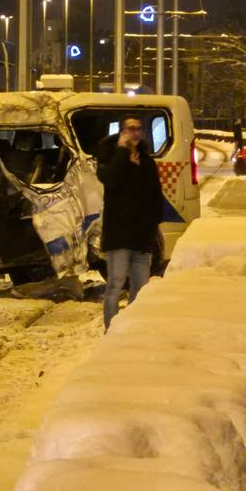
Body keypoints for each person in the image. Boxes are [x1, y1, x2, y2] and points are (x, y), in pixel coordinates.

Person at [97, 114, 164, 331]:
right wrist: (123, 152)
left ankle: (132, 329)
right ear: (121, 132)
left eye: (138, 129)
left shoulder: (147, 161)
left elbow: (155, 195)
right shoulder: (109, 157)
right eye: (129, 129)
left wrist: (153, 225)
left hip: (141, 236)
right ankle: (111, 329)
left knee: (141, 287)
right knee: (115, 286)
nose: (134, 133)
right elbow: (111, 179)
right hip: (118, 236)